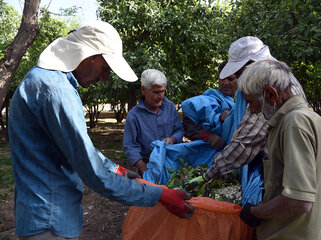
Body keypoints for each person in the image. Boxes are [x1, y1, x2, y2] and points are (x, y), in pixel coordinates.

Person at [8, 21, 192, 240]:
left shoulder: (43, 80)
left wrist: (117, 169)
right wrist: (159, 195)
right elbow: (91, 171)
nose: (104, 78)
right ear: (89, 56)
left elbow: (78, 148)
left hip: (45, 212)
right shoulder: (57, 91)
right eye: (104, 68)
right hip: (50, 218)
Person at [187, 36, 306, 183]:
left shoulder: (265, 85)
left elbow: (247, 140)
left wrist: (209, 174)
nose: (236, 78)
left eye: (237, 73)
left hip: (285, 173)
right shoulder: (282, 77)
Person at [238, 60, 321, 239]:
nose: (251, 110)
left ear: (271, 95)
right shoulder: (304, 118)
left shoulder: (294, 123)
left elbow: (299, 200)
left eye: (251, 102)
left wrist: (256, 213)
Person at [123, 69, 184, 175]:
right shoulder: (134, 116)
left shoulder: (169, 106)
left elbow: (179, 130)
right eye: (156, 92)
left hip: (173, 164)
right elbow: (130, 146)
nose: (160, 96)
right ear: (143, 90)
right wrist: (145, 170)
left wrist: (173, 139)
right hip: (148, 166)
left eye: (163, 91)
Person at [181, 61, 238, 150]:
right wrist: (209, 137)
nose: (226, 83)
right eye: (223, 78)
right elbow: (186, 125)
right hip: (203, 155)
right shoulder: (207, 100)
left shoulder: (242, 104)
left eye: (230, 79)